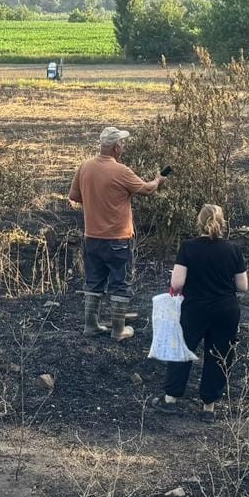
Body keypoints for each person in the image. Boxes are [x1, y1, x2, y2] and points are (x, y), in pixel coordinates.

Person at [68, 125, 165, 340]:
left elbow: (74, 196)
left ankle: (90, 325)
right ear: (116, 147)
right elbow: (147, 190)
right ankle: (118, 329)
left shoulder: (85, 167)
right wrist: (158, 180)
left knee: (93, 281)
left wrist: (95, 201)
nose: (123, 145)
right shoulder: (121, 171)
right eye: (122, 143)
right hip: (118, 238)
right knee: (120, 283)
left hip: (92, 237)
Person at [152, 203, 248, 420]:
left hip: (194, 309)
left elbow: (176, 284)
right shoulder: (233, 249)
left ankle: (170, 399)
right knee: (219, 355)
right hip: (226, 310)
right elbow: (243, 286)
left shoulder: (188, 247)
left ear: (199, 222)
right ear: (222, 223)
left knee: (182, 351)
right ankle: (209, 408)